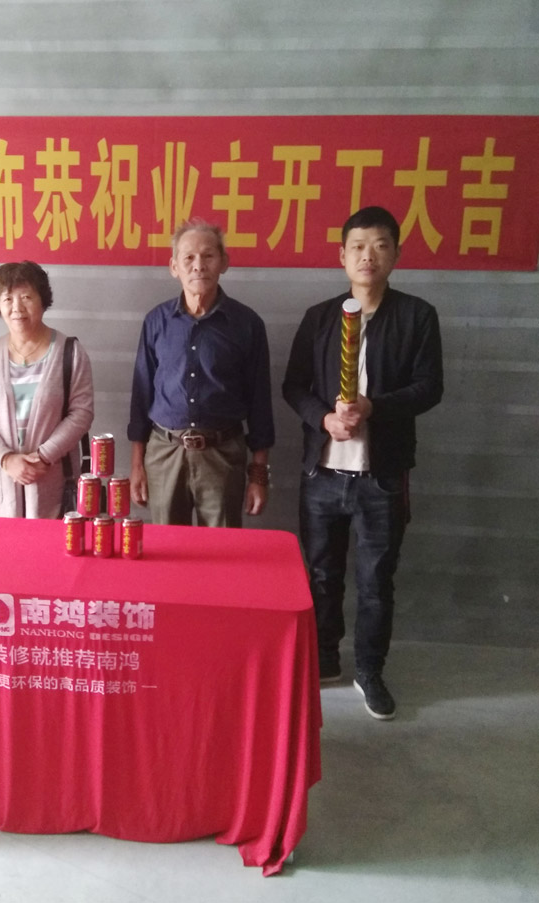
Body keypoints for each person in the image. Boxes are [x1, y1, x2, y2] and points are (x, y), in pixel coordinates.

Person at [282, 205, 443, 720]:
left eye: (379, 246)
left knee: (376, 581)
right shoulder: (319, 317)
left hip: (382, 475)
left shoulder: (417, 316)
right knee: (321, 574)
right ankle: (325, 658)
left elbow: (429, 388)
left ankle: (370, 670)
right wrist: (323, 418)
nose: (367, 256)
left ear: (395, 254)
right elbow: (294, 386)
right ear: (342, 256)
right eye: (357, 246)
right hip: (323, 472)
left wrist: (375, 408)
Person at [127, 220, 273, 527]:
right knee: (167, 548)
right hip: (164, 454)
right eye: (189, 258)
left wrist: (258, 475)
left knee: (220, 549)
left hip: (222, 456)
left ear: (224, 262)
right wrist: (137, 464)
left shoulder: (247, 324)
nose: (198, 266)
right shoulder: (156, 322)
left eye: (208, 256)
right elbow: (141, 395)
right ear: (174, 267)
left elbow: (260, 402)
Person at [0, 261, 94, 518]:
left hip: (54, 479)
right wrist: (6, 459)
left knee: (54, 541)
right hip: (2, 485)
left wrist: (43, 457)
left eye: (26, 297)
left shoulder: (70, 352)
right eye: (7, 299)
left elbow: (82, 413)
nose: (17, 308)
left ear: (43, 301)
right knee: (5, 543)